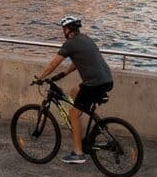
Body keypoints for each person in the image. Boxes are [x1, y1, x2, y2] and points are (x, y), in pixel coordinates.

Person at [35, 15, 115, 165]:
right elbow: (79, 61)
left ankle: (78, 154)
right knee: (74, 91)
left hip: (94, 84)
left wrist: (40, 77)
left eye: (63, 29)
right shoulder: (86, 39)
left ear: (67, 29)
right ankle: (97, 123)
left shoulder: (70, 44)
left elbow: (53, 63)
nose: (63, 31)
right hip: (107, 80)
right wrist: (64, 74)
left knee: (73, 114)